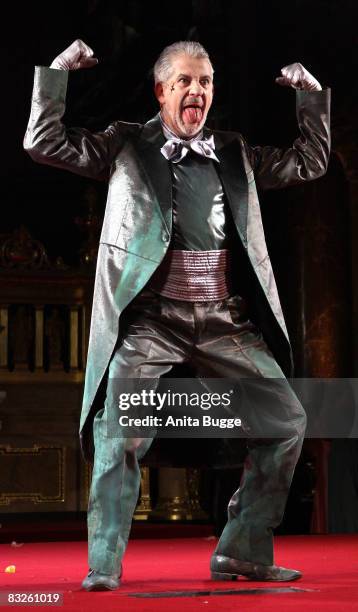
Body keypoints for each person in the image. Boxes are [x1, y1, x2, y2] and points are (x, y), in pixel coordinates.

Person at [24, 39, 330, 591]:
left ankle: (243, 549)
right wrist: (59, 71)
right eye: (186, 81)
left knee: (287, 420)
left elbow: (309, 162)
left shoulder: (234, 151)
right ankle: (104, 564)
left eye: (206, 82)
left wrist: (309, 95)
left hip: (221, 319)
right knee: (120, 426)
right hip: (153, 319)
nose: (198, 91)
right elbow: (43, 141)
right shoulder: (125, 145)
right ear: (162, 90)